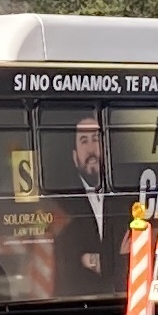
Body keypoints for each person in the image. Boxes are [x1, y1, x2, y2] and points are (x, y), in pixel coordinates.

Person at [55, 115, 127, 296]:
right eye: (84, 141)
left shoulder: (123, 198)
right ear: (74, 156)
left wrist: (93, 259)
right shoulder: (62, 201)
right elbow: (68, 263)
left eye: (96, 139)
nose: (91, 149)